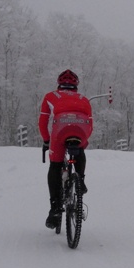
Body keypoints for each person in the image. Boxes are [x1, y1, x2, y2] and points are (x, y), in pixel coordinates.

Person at [39, 69, 93, 229]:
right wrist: (83, 142)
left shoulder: (50, 96)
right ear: (76, 86)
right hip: (81, 129)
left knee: (55, 165)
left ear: (59, 84)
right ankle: (81, 180)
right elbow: (91, 124)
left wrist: (47, 140)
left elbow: (42, 122)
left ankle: (55, 209)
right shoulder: (84, 99)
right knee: (80, 149)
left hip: (60, 129)